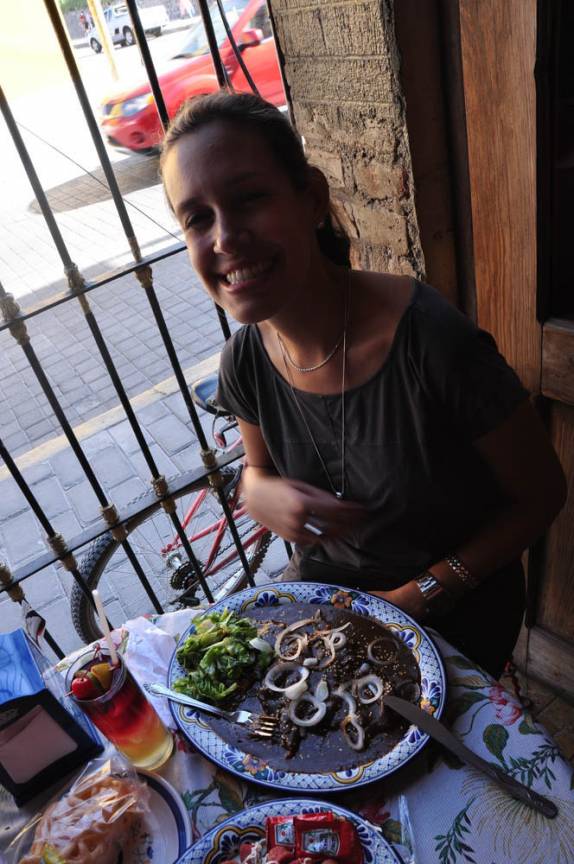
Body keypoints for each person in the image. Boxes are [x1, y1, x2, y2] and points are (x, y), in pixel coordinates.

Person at [160, 91, 567, 679]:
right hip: (335, 612)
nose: (224, 238)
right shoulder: (244, 360)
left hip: (456, 614)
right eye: (197, 217)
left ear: (312, 198)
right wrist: (257, 491)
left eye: (250, 198)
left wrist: (420, 595)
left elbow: (542, 494)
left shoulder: (432, 343)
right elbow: (259, 471)